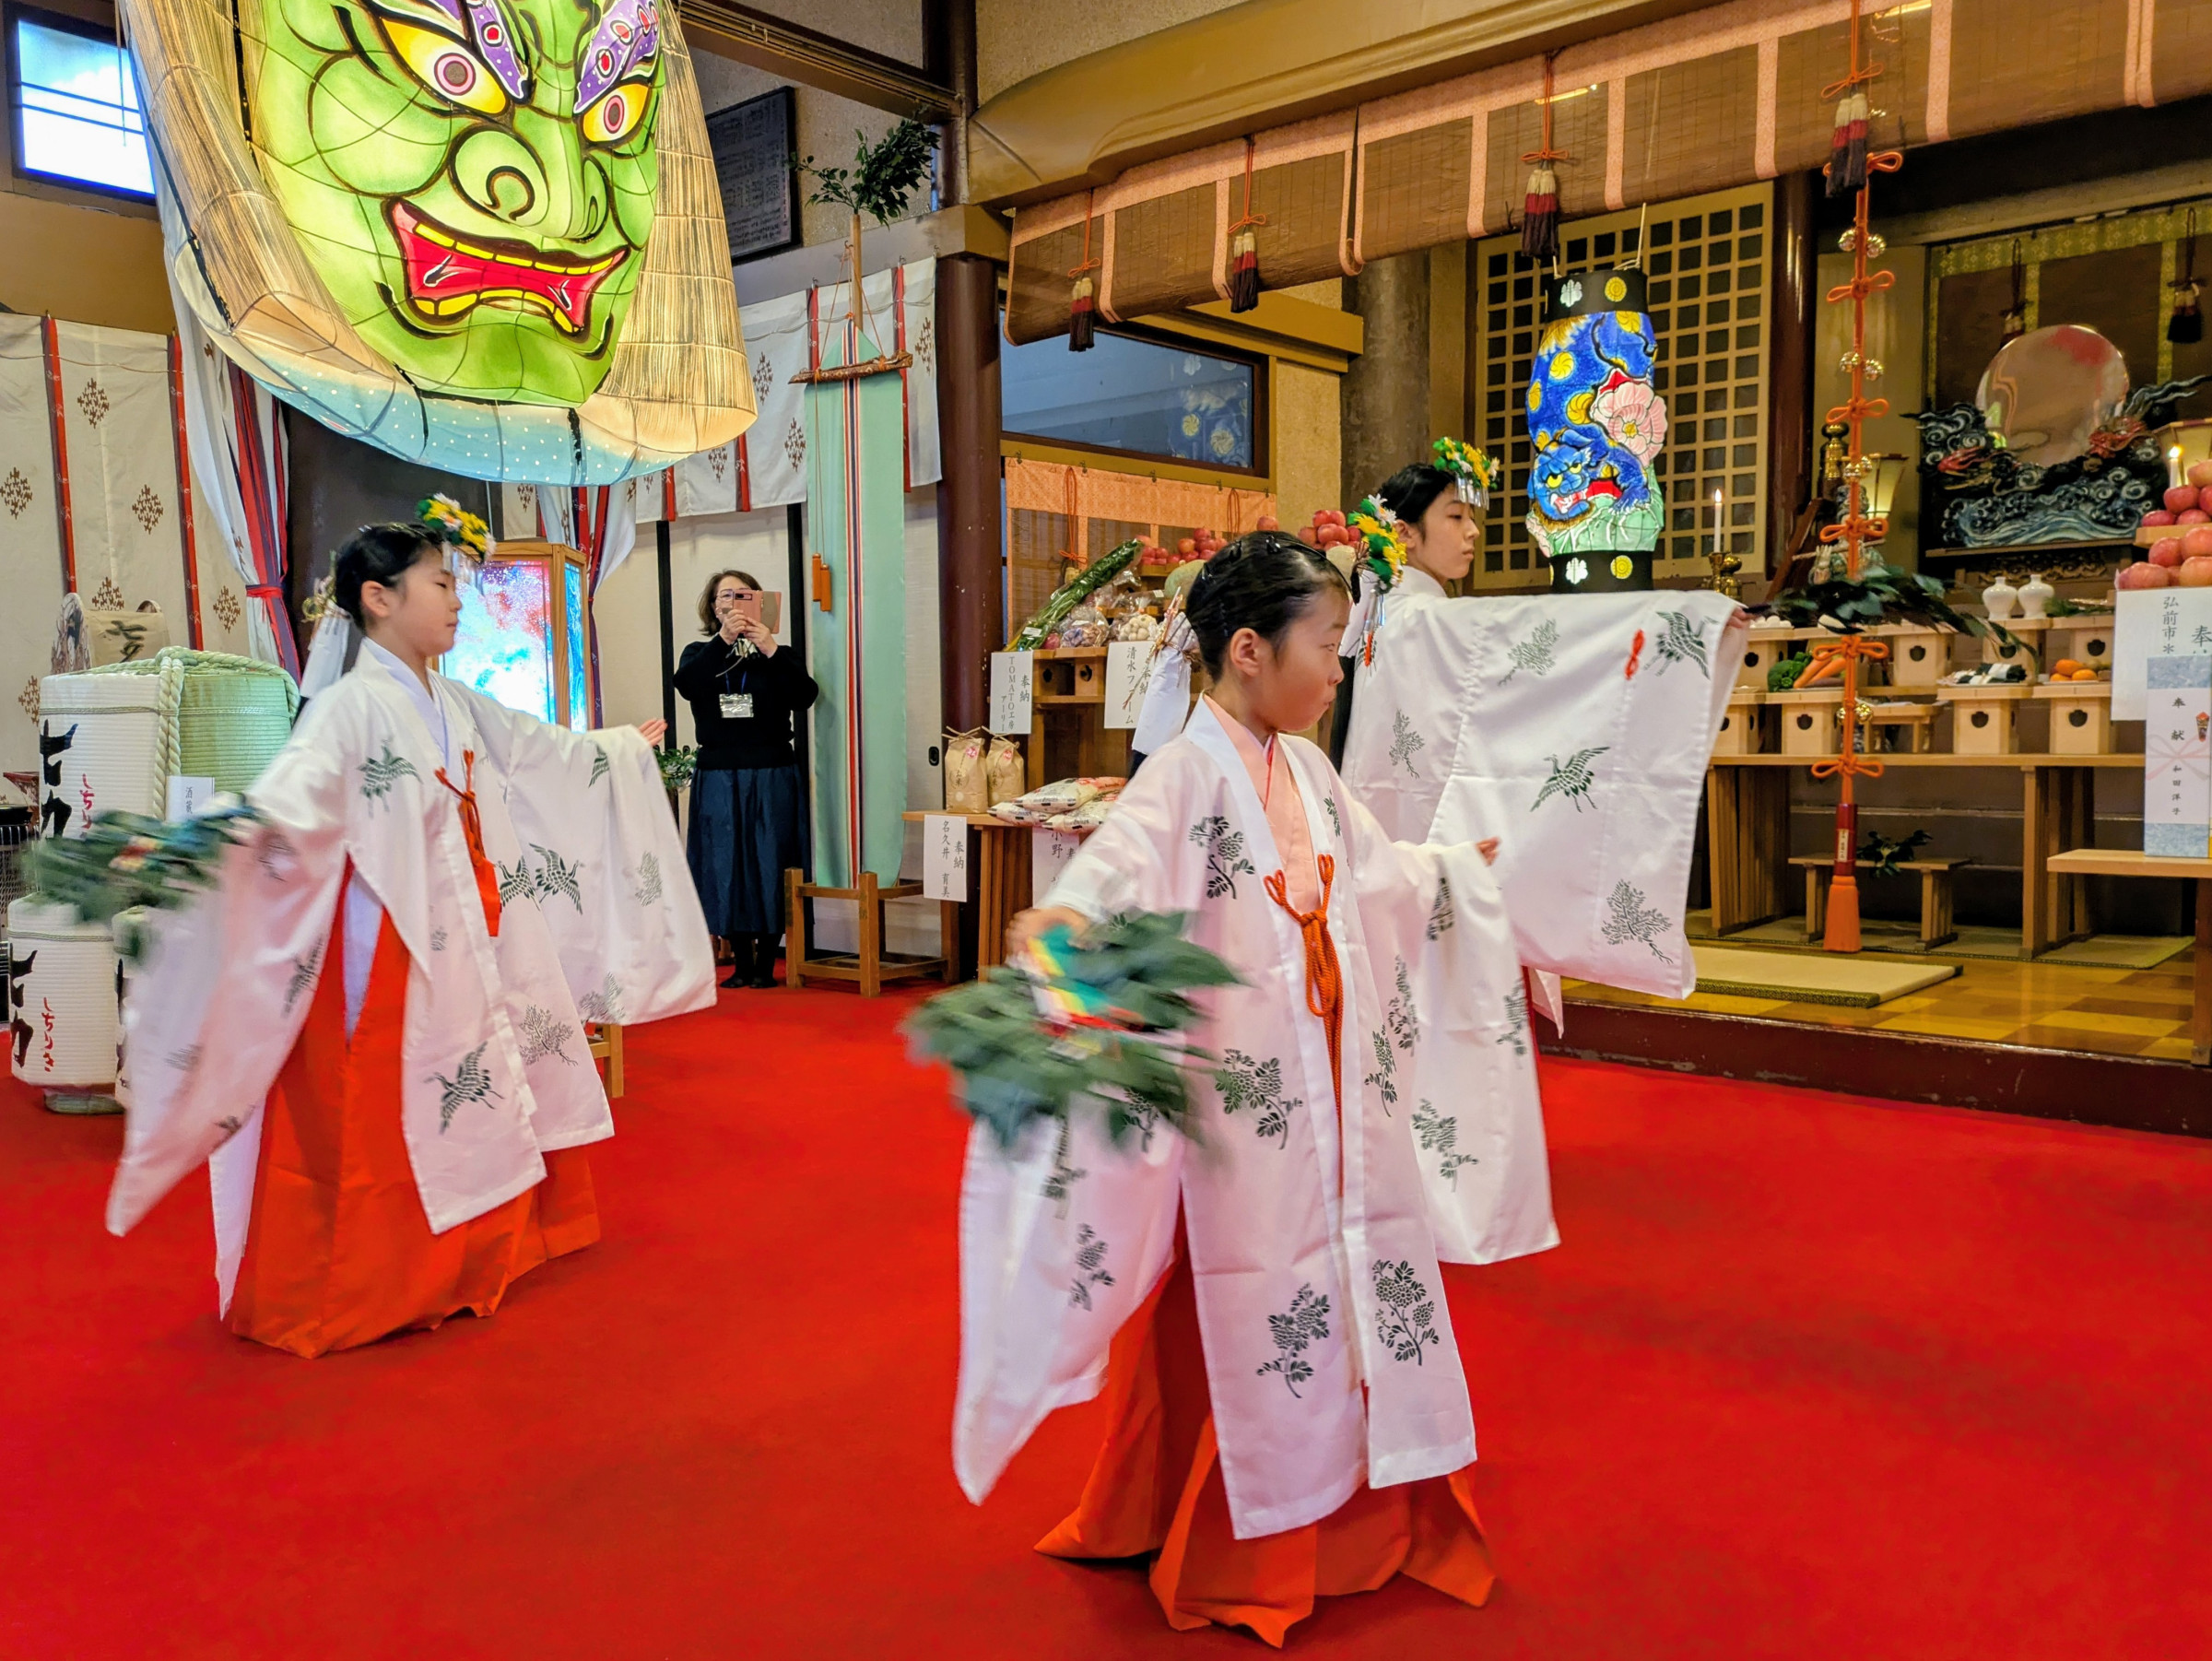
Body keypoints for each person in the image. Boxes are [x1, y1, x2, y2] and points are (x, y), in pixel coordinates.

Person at [956, 532, 1541, 1645]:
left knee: (1349, 1278)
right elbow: (1113, 885)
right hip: (1243, 1108)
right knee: (1240, 1295)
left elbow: (1381, 880)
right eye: (1326, 645)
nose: (1338, 668)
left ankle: (1349, 1518)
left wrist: (1464, 872)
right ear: (1246, 649)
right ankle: (1229, 1534)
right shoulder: (1183, 774)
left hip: (1329, 1087)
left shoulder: (1309, 771)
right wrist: (1061, 945)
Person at [105, 519, 713, 1357]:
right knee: (403, 1100)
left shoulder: (450, 697)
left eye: (456, 585)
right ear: (378, 598)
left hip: (475, 915)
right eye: (440, 583)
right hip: (388, 937)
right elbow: (290, 801)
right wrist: (203, 843)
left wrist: (613, 750)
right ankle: (373, 1284)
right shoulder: (350, 708)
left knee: (485, 1080)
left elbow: (536, 750)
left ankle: (480, 1256)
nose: (458, 602)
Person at [673, 570, 817, 989]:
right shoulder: (699, 652)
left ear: (760, 602)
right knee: (726, 861)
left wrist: (768, 646)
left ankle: (768, 960)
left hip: (772, 770)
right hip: (719, 771)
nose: (732, 603)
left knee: (772, 859)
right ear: (712, 607)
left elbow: (805, 696)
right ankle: (740, 962)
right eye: (724, 597)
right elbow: (687, 686)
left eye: (742, 595)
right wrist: (723, 641)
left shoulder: (778, 653)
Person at [1326, 459, 1478, 766]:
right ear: (1404, 533)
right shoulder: (1421, 615)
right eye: (1455, 516)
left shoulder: (1385, 606)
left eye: (1471, 518)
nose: (1473, 531)